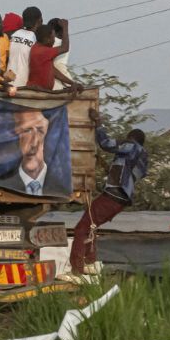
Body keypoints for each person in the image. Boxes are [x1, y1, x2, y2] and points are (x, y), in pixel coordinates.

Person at [65, 109, 149, 281]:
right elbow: (123, 173)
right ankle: (90, 263)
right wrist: (105, 165)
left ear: (132, 137)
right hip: (121, 201)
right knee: (91, 226)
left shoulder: (131, 146)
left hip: (112, 196)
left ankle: (77, 270)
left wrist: (98, 123)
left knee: (82, 228)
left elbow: (106, 143)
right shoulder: (142, 157)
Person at [24, 20, 72, 92]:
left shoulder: (37, 48)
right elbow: (65, 48)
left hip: (42, 91)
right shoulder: (44, 51)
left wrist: (71, 83)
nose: (54, 41)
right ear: (46, 39)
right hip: (38, 92)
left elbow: (54, 71)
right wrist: (65, 27)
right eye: (53, 38)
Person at [1, 9, 38, 94]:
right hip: (23, 85)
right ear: (39, 21)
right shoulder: (34, 39)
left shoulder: (13, 35)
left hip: (8, 83)